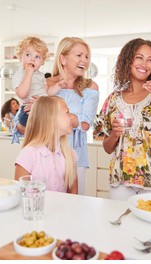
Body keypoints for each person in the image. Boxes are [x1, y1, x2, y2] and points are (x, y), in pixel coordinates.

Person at [97, 38, 151, 201]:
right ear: (128, 60)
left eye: (150, 60)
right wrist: (114, 134)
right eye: (139, 57)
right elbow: (107, 147)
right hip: (121, 181)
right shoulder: (112, 99)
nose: (145, 64)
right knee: (120, 224)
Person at [47, 37, 100, 196]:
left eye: (86, 56)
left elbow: (85, 124)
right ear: (62, 58)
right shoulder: (48, 84)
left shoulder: (90, 87)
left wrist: (56, 116)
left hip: (76, 154)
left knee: (75, 205)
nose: (84, 60)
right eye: (79, 55)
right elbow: (37, 119)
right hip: (47, 152)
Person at [14, 96, 77, 194]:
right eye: (67, 112)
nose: (72, 117)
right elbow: (20, 194)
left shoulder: (69, 154)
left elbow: (73, 195)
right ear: (51, 118)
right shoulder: (29, 154)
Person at [11, 37, 64, 143]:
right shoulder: (19, 75)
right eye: (28, 55)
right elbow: (22, 94)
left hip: (42, 110)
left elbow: (47, 93)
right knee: (44, 134)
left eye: (37, 57)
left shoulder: (40, 75)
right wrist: (28, 74)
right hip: (28, 111)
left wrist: (58, 86)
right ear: (20, 57)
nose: (32, 59)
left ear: (43, 61)